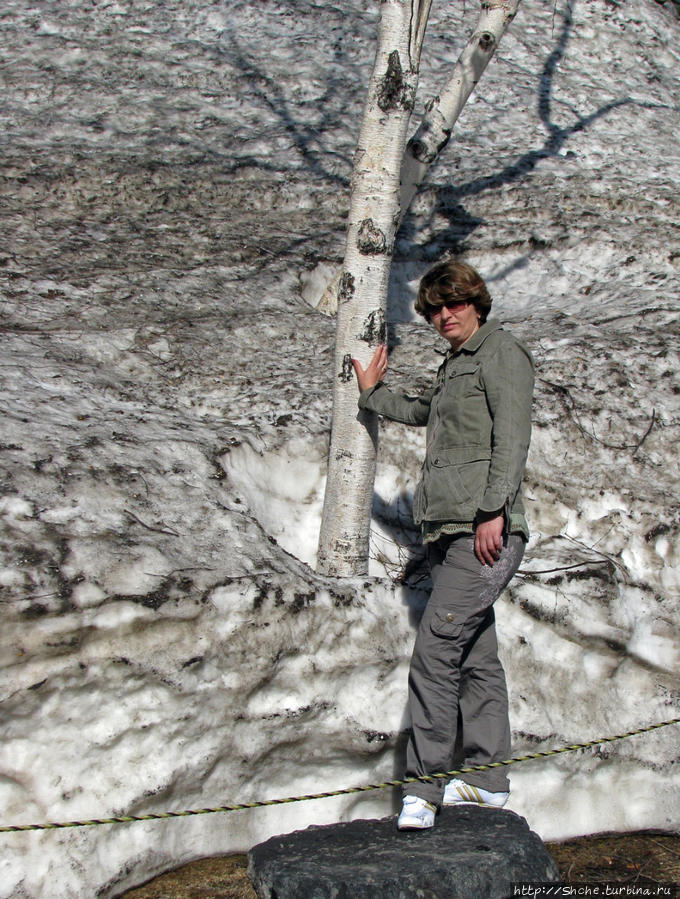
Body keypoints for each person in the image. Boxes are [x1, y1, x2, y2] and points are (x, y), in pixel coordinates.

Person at [352, 259, 534, 830]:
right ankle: (486, 779)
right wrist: (372, 393)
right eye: (433, 309)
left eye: (452, 303)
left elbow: (512, 439)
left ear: (476, 302)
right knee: (475, 656)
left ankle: (423, 790)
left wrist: (493, 512)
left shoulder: (501, 354)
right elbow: (421, 411)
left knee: (434, 655)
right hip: (449, 533)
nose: (442, 316)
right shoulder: (456, 365)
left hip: (484, 533)